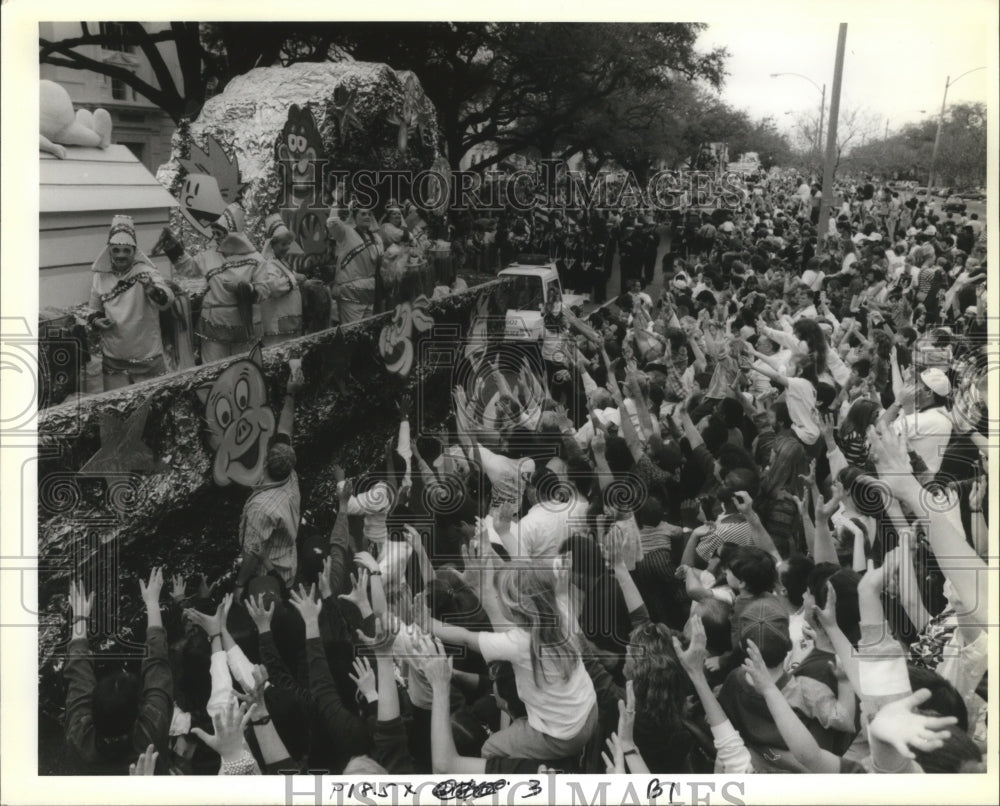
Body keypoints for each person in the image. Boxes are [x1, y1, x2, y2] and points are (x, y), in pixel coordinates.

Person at [233, 370, 304, 602]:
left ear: (264, 462)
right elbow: (285, 429)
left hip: (268, 576)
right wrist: (290, 394)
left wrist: (240, 584)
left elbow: (252, 552)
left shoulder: (261, 509)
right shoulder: (290, 476)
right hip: (287, 564)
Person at [87, 215, 174, 390]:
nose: (121, 255)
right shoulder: (100, 276)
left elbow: (167, 300)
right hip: (113, 358)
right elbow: (93, 308)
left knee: (155, 408)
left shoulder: (146, 272)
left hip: (148, 357)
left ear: (134, 252)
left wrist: (154, 292)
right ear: (109, 251)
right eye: (116, 250)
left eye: (126, 250)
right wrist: (97, 320)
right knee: (117, 411)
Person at [326, 201, 385, 324]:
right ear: (354, 217)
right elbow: (332, 222)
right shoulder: (346, 233)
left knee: (367, 332)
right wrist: (338, 199)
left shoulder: (377, 238)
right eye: (363, 214)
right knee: (351, 332)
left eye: (369, 214)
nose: (367, 217)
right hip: (351, 294)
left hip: (370, 292)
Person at [259, 214, 304, 347]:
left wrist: (306, 281)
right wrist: (295, 279)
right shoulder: (268, 264)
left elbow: (290, 277)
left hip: (288, 323)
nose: (287, 248)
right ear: (272, 244)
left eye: (288, 244)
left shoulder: (280, 262)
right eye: (283, 244)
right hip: (277, 328)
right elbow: (273, 288)